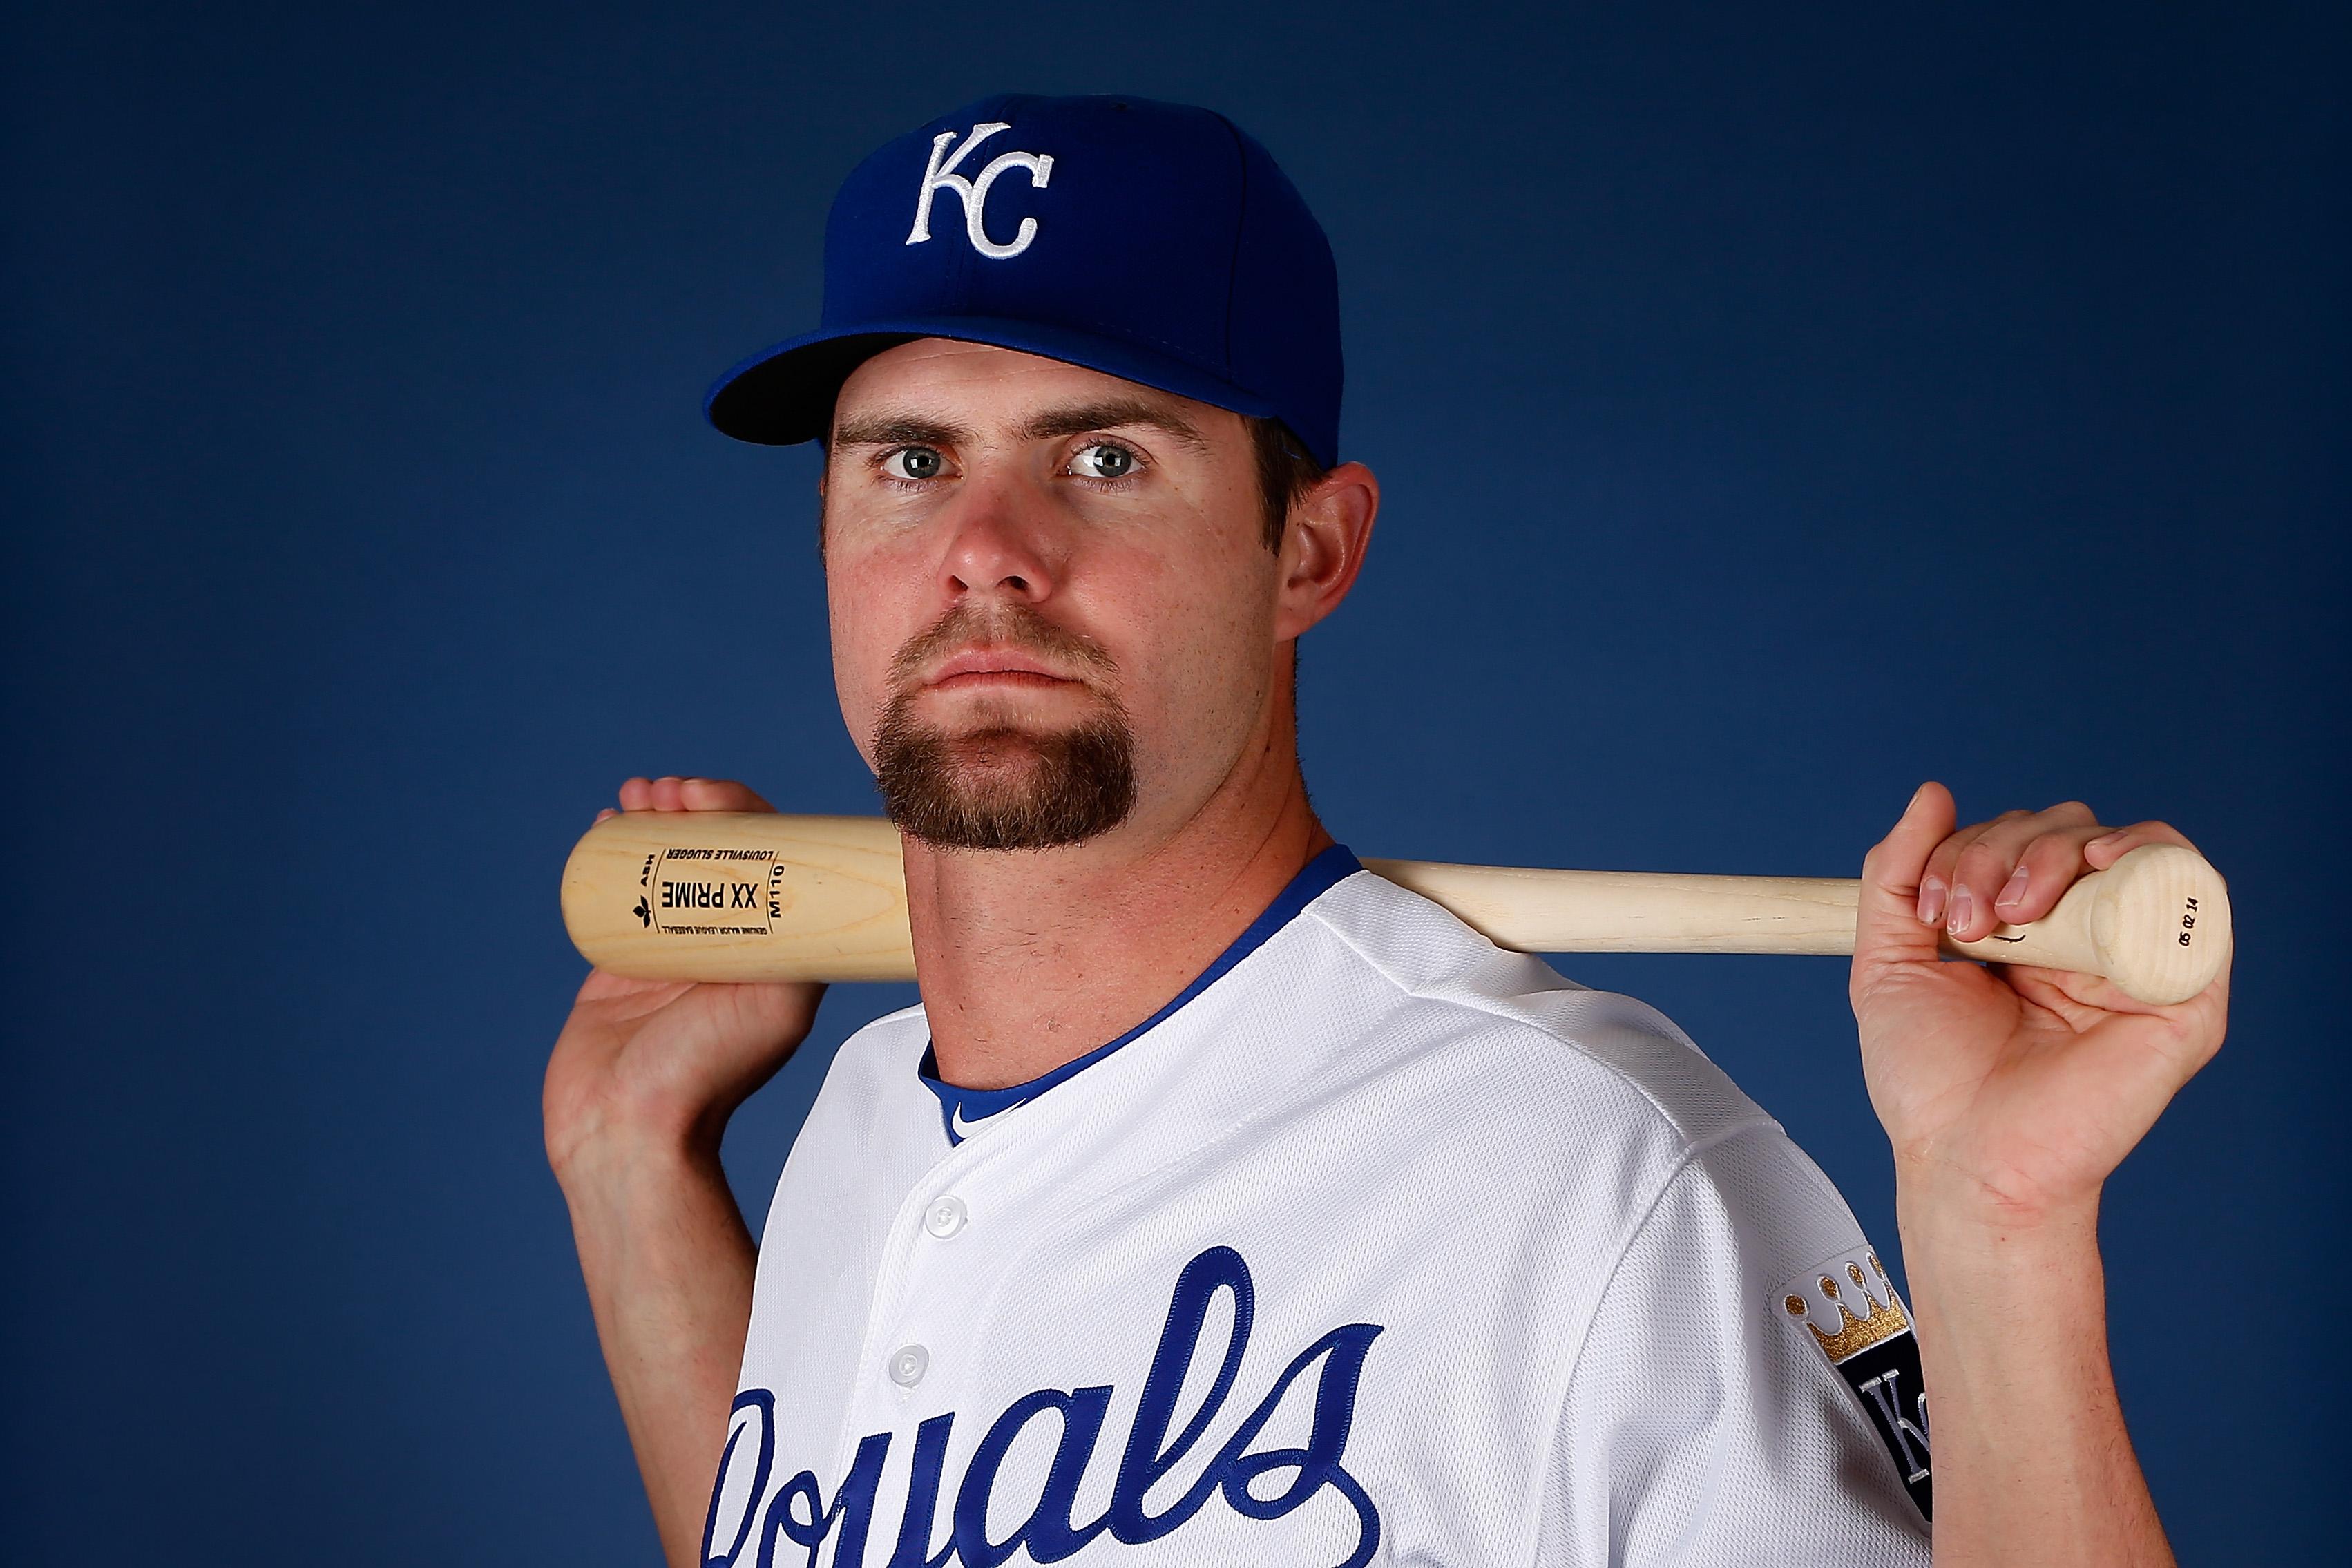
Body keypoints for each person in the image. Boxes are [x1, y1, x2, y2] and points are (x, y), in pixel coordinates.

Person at [544, 95, 2226, 1567]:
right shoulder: (861, 1127)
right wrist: (630, 1164)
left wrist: (1997, 1224)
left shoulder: (1594, 1171)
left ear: (1309, 552)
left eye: (1105, 458)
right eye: (909, 461)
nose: (985, 546)